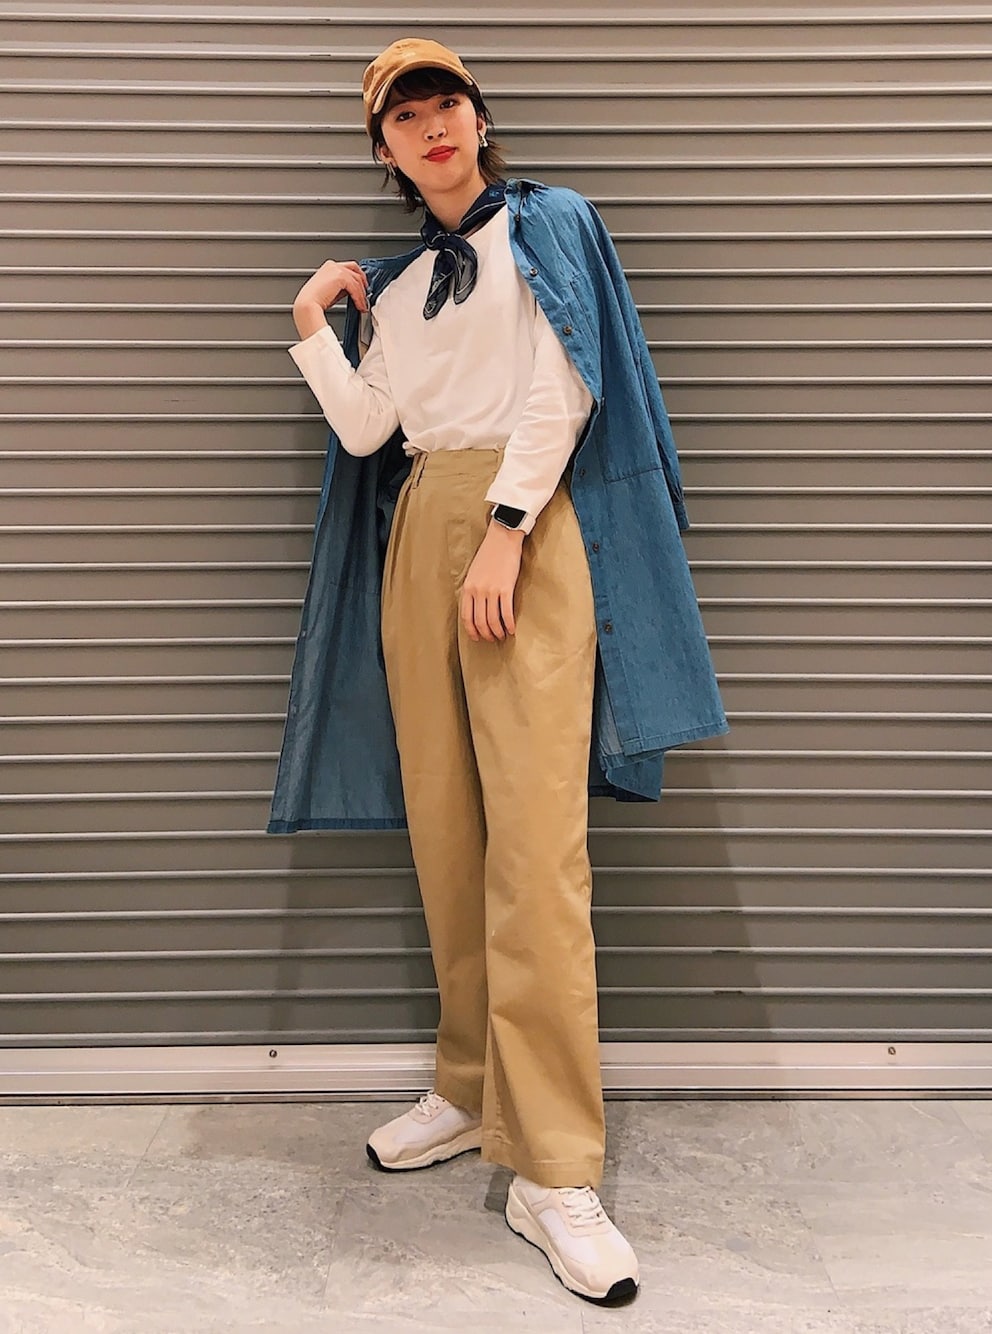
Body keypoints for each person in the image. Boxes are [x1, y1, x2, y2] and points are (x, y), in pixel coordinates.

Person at [273, 36, 729, 1305]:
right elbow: (370, 428)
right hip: (421, 523)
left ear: (479, 119)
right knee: (448, 831)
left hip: (519, 528)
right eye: (404, 117)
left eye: (447, 105)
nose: (431, 127)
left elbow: (568, 381)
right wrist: (313, 325)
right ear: (382, 148)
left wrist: (510, 528)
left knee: (536, 844)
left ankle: (554, 1163)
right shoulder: (404, 286)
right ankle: (470, 1085)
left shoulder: (548, 223)